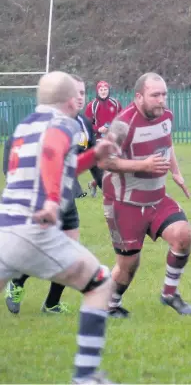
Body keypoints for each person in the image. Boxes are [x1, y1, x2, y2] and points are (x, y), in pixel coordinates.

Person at [0, 71, 118, 383]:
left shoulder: (25, 125)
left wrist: (95, 155)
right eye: (76, 95)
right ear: (69, 100)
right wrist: (52, 200)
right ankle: (86, 374)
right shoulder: (62, 124)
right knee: (100, 283)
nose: (81, 99)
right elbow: (53, 152)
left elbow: (60, 164)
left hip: (3, 229)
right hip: (31, 229)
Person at [3, 75, 104, 315]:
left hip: (63, 199)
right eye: (75, 92)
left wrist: (104, 184)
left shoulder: (83, 125)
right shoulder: (53, 124)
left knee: (68, 249)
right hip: (38, 203)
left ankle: (51, 304)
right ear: (64, 98)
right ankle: (16, 285)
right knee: (34, 250)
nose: (80, 97)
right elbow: (32, 151)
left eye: (83, 92)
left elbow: (82, 162)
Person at [98, 72, 191, 318]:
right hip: (124, 204)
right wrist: (142, 166)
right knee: (128, 266)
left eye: (164, 94)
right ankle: (110, 306)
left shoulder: (167, 116)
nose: (161, 100)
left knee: (183, 236)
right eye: (155, 95)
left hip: (156, 198)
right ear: (139, 96)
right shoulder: (122, 124)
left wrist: (176, 172)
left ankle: (169, 294)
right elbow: (103, 160)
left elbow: (167, 142)